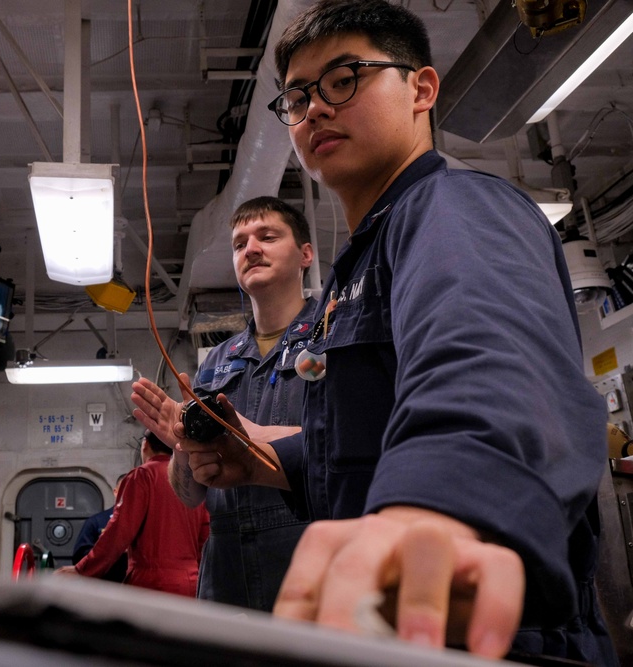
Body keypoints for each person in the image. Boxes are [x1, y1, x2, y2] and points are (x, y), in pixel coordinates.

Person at [155, 0, 616, 663]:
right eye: (297, 96)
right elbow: (366, 446)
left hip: (493, 636)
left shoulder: (454, 208)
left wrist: (436, 509)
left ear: (421, 90)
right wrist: (269, 460)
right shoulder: (357, 269)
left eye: (345, 79)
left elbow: (489, 367)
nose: (315, 108)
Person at [131, 196, 317, 611]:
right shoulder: (216, 363)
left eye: (267, 237)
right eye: (239, 244)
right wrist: (182, 443)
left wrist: (253, 436)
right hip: (226, 567)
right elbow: (189, 495)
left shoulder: (336, 339)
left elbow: (354, 443)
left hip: (310, 550)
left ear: (306, 254)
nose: (250, 249)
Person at [56, 431, 210, 597]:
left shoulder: (143, 476)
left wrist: (83, 570)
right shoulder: (192, 481)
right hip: (192, 583)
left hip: (150, 583)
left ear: (145, 445)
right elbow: (206, 539)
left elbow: (119, 532)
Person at [71, 473, 128, 583]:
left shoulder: (145, 521)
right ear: (116, 492)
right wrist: (109, 548)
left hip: (137, 588)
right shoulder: (97, 522)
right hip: (105, 584)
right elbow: (79, 556)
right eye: (124, 490)